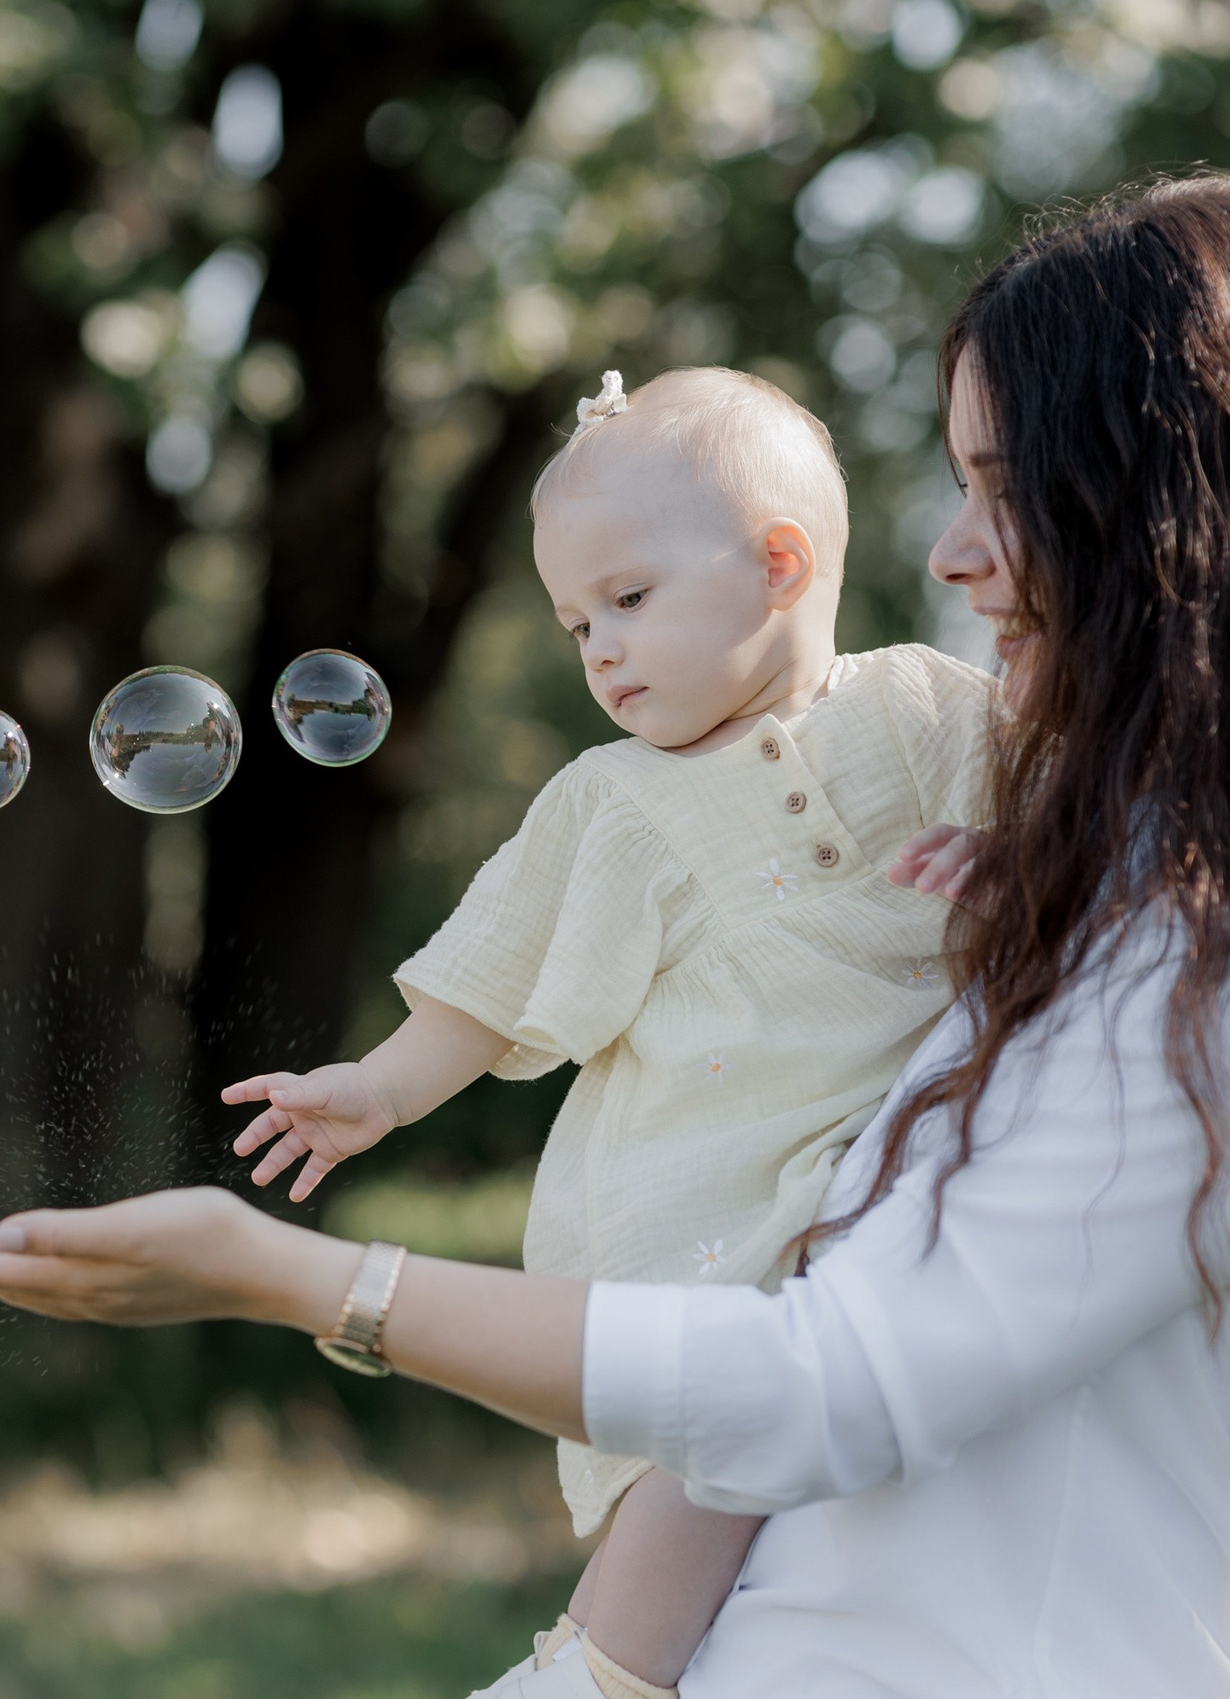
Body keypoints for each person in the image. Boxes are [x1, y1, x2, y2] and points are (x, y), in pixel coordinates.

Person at [0, 173, 1230, 1697]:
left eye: (1004, 494)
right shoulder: (1094, 896)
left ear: (1182, 514)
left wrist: (299, 1281)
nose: (952, 557)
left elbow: (834, 1381)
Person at [222, 365, 994, 1694]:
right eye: (576, 623)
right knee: (705, 1432)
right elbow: (492, 973)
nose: (600, 650)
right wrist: (382, 1089)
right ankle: (599, 1670)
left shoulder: (925, 709)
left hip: (890, 1160)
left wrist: (1017, 864)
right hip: (709, 1180)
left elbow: (1069, 820)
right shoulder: (611, 801)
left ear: (779, 565)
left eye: (627, 602)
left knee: (861, 1422)